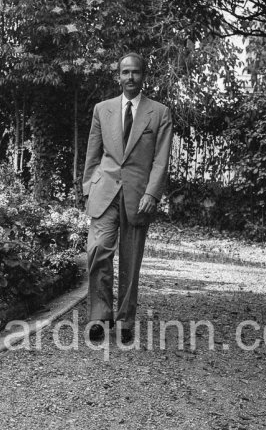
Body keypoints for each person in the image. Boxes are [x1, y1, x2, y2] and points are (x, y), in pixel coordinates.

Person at [82, 52, 173, 343]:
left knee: (131, 260)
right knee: (98, 249)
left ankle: (124, 320)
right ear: (118, 76)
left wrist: (152, 193)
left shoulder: (159, 113)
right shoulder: (102, 109)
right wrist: (88, 188)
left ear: (143, 76)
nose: (129, 78)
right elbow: (92, 154)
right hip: (105, 191)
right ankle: (99, 316)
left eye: (135, 72)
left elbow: (161, 160)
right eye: (125, 72)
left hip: (138, 196)